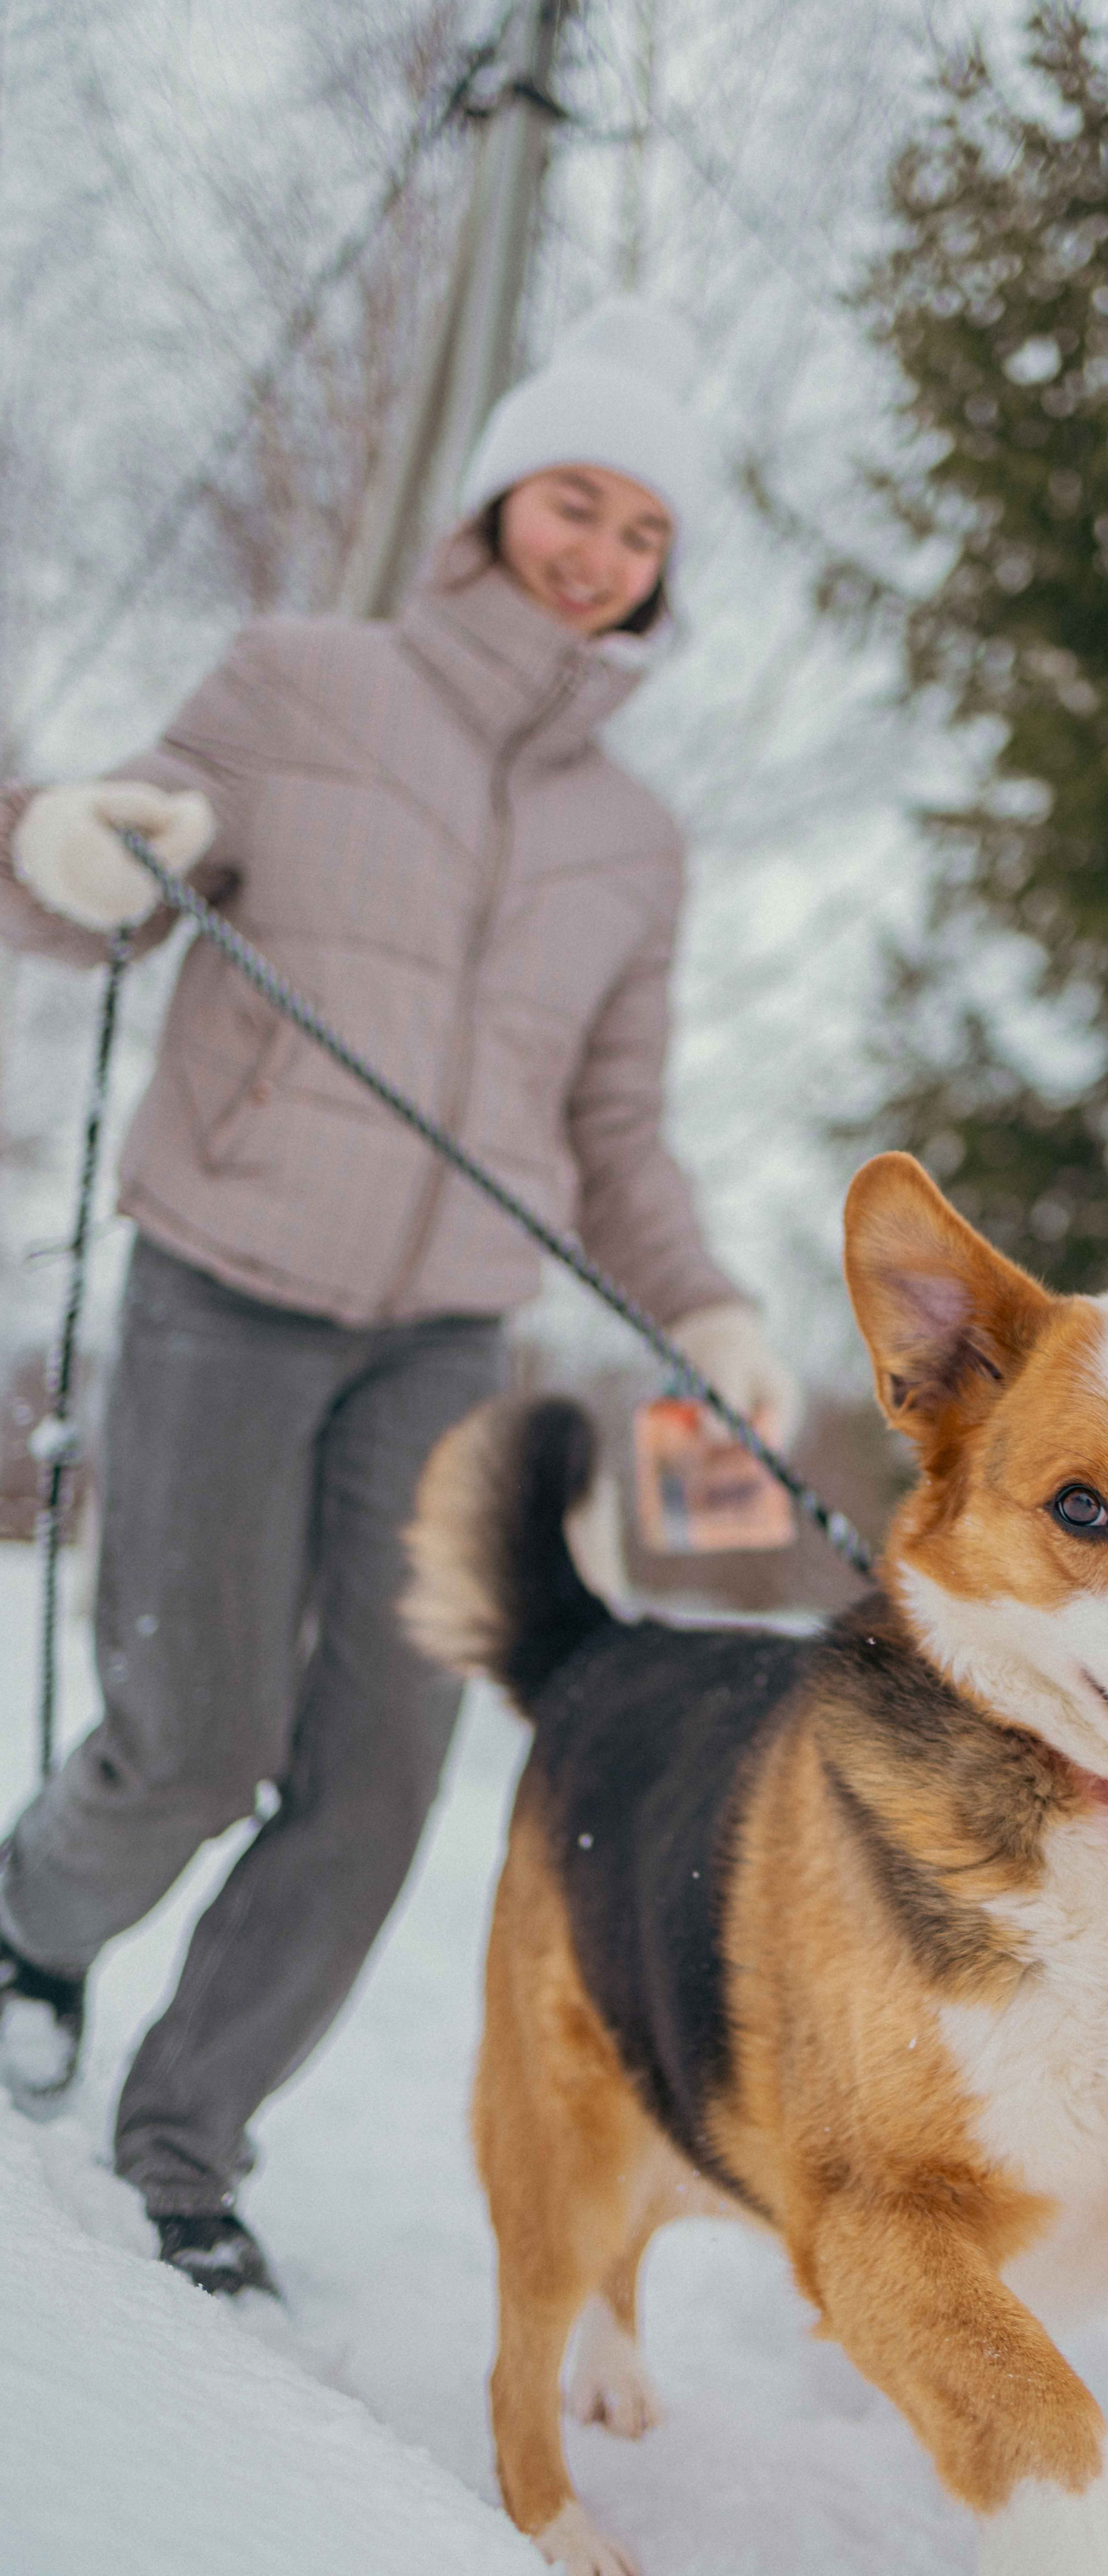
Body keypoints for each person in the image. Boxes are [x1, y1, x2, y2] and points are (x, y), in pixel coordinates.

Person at [0, 298, 798, 2296]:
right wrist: (81, 853)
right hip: (226, 1282)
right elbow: (89, 872)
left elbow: (617, 1126)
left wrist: (705, 1308)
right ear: (498, 501)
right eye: (574, 502)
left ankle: (184, 2141)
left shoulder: (641, 840)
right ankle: (31, 1929)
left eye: (642, 533)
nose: (600, 552)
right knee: (193, 1737)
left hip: (450, 1330)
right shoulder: (299, 681)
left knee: (377, 1779)